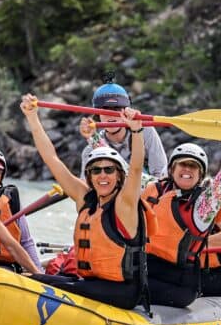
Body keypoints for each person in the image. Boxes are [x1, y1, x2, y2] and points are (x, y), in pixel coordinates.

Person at [21, 94, 149, 310]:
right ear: (89, 175)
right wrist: (33, 117)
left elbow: (135, 169)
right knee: (30, 278)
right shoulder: (85, 199)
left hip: (123, 290)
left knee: (36, 281)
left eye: (109, 170)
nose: (102, 176)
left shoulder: (124, 204)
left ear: (119, 175)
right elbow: (52, 159)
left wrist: (136, 131)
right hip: (92, 282)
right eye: (96, 171)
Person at [141, 141, 221, 303]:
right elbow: (125, 172)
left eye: (193, 166)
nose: (187, 169)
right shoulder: (153, 189)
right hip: (152, 266)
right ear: (171, 170)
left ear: (200, 175)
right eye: (182, 164)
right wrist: (93, 137)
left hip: (185, 278)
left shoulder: (205, 204)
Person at [79, 77, 167, 179]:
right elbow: (86, 187)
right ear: (98, 115)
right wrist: (93, 139)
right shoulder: (90, 150)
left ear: (125, 112)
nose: (111, 115)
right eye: (105, 110)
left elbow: (161, 173)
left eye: (116, 108)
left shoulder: (145, 131)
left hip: (147, 190)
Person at [0, 145, 42, 272]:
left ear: (2, 175)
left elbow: (26, 242)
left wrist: (40, 273)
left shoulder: (10, 200)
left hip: (4, 270)